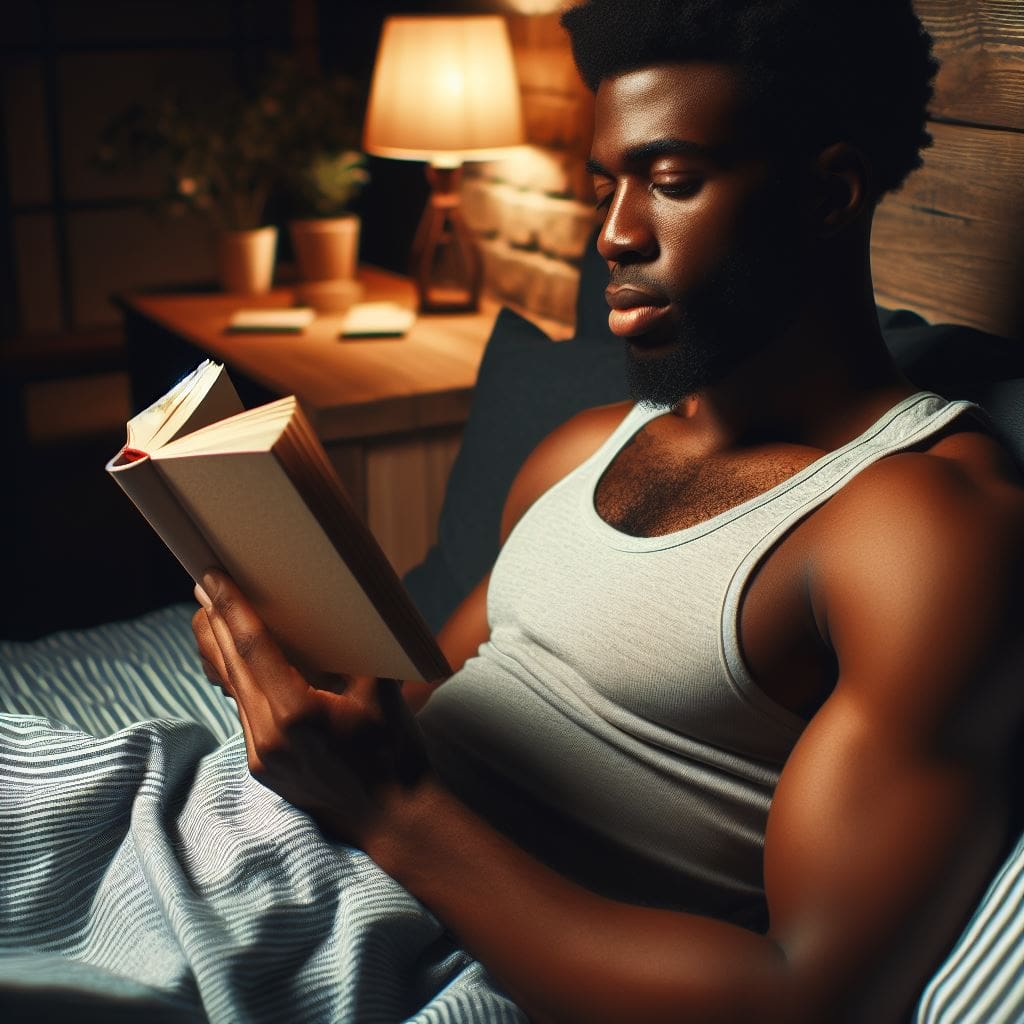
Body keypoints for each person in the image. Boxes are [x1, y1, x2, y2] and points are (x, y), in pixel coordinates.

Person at [193, 1, 1024, 1021]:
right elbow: (418, 709)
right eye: (606, 186)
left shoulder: (916, 525)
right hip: (234, 839)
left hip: (388, 935)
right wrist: (298, 688)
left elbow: (804, 994)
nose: (614, 234)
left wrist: (388, 812)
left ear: (828, 192)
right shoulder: (582, 447)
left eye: (671, 182)